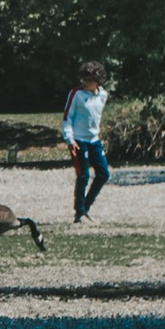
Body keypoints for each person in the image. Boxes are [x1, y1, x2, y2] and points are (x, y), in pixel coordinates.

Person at [60, 61, 112, 220]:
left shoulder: (103, 95)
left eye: (88, 80)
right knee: (83, 175)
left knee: (103, 174)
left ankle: (86, 207)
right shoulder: (76, 94)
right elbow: (67, 117)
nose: (84, 83)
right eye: (83, 79)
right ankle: (79, 212)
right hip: (78, 140)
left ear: (98, 80)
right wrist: (70, 139)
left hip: (94, 140)